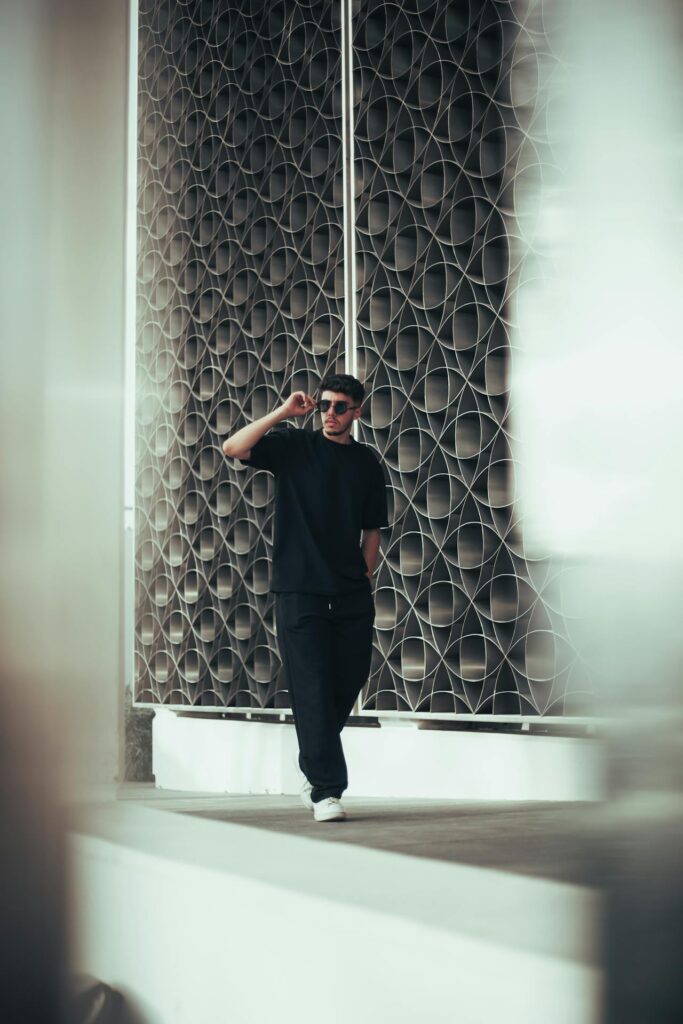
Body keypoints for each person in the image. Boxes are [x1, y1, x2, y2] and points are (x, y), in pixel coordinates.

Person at [222, 373, 388, 822]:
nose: (330, 414)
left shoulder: (368, 464)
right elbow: (233, 448)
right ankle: (326, 792)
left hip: (351, 592)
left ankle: (314, 769)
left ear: (357, 411)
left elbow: (372, 527)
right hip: (299, 590)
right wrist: (282, 413)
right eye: (325, 405)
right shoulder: (295, 448)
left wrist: (365, 571)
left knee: (347, 681)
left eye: (340, 407)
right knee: (312, 687)